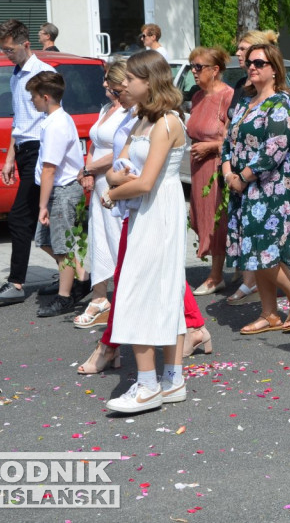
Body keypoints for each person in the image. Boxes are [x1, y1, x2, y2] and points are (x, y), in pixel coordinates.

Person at [102, 51, 188, 413]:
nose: (125, 84)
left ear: (150, 81)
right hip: (146, 212)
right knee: (160, 289)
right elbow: (114, 166)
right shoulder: (139, 119)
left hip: (158, 212)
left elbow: (146, 181)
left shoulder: (168, 122)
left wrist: (113, 193)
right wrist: (117, 181)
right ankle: (172, 378)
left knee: (140, 290)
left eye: (132, 78)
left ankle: (150, 384)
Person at [221, 41, 290, 335]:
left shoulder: (281, 103)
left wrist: (243, 176)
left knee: (264, 251)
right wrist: (227, 172)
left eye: (259, 63)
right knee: (255, 251)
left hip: (270, 190)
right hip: (244, 188)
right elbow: (228, 141)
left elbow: (273, 149)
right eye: (249, 62)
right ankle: (269, 313)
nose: (251, 67)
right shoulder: (244, 103)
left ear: (274, 69)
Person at [0, 19, 67, 305]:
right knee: (36, 221)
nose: (6, 55)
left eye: (10, 50)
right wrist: (9, 158)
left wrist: (45, 158)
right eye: (3, 50)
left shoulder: (44, 72)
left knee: (21, 217)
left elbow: (53, 117)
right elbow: (18, 121)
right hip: (23, 149)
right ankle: (72, 273)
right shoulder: (15, 74)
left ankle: (16, 282)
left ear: (25, 44)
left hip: (39, 149)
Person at [25, 71, 86, 318]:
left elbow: (50, 169)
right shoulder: (56, 120)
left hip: (62, 191)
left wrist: (42, 206)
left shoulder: (56, 124)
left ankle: (65, 297)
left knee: (62, 247)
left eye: (34, 96)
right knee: (46, 242)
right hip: (59, 190)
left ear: (46, 97)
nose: (32, 101)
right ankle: (82, 279)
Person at [73, 59, 129, 328]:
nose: (104, 83)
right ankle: (99, 297)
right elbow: (95, 142)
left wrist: (89, 167)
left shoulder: (128, 113)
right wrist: (89, 173)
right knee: (99, 236)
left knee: (118, 237)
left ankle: (123, 298)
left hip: (115, 182)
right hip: (99, 182)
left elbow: (120, 151)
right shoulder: (106, 108)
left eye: (109, 79)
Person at [185, 46, 234, 297]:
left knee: (217, 219)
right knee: (199, 218)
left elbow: (234, 138)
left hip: (216, 166)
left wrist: (211, 147)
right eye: (191, 66)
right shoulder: (197, 97)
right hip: (198, 168)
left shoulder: (227, 96)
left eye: (198, 67)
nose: (193, 71)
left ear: (215, 70)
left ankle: (217, 276)